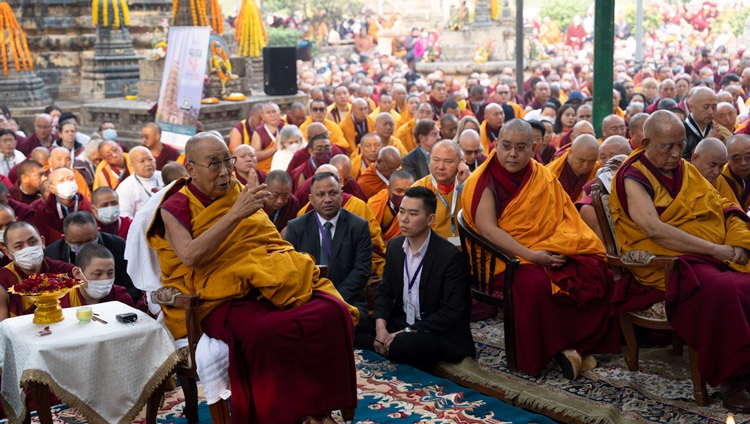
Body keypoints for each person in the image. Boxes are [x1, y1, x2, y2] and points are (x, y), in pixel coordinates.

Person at [146, 132, 357, 423]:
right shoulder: (175, 207)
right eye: (214, 164)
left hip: (262, 281)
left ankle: (318, 409)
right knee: (263, 334)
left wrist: (275, 269)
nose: (224, 171)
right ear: (191, 168)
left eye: (227, 161)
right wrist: (235, 214)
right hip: (217, 296)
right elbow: (191, 256)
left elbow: (266, 241)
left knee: (331, 312)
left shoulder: (237, 191)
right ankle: (280, 416)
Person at [608, 111, 750, 412]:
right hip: (666, 263)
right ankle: (733, 378)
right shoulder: (633, 176)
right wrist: (717, 250)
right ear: (646, 142)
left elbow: (720, 203)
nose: (676, 154)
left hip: (704, 254)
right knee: (725, 290)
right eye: (667, 147)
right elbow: (654, 230)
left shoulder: (685, 169)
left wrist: (737, 238)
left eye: (680, 145)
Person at [461, 118, 619, 379]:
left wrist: (560, 245)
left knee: (594, 269)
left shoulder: (540, 175)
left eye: (521, 147)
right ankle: (551, 349)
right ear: (496, 145)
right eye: (506, 146)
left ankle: (578, 346)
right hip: (503, 257)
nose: (512, 154)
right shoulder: (484, 180)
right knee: (536, 284)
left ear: (533, 148)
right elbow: (488, 229)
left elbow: (562, 216)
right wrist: (532, 255)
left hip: (542, 245)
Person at [371, 186, 475, 369]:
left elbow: (452, 311)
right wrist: (381, 329)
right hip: (404, 320)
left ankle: (394, 348)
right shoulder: (395, 247)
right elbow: (385, 291)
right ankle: (387, 344)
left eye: (412, 214)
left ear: (430, 219)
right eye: (401, 211)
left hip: (434, 329)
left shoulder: (450, 257)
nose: (404, 219)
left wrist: (407, 332)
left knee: (403, 344)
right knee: (355, 325)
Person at [285, 172, 372, 321]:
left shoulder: (358, 226)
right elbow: (291, 269)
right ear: (311, 199)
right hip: (307, 299)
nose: (327, 200)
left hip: (347, 299)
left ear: (341, 195)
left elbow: (361, 270)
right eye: (321, 195)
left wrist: (334, 298)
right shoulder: (296, 227)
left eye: (333, 193)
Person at [43, 211, 140, 303]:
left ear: (98, 232)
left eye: (90, 241)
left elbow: (134, 284)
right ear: (65, 238)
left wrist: (118, 301)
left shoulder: (118, 246)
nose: (86, 247)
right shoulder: (53, 255)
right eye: (78, 243)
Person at [0, 221, 75, 319]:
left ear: (42, 242)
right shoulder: (3, 280)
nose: (28, 249)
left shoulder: (64, 271)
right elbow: (3, 329)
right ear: (7, 253)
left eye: (32, 242)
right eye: (19, 246)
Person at [411, 140, 468, 242]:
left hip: (466, 250)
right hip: (432, 252)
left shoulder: (468, 184)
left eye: (448, 161)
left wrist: (464, 184)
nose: (441, 167)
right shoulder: (418, 189)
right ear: (429, 160)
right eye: (436, 160)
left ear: (461, 162)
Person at [64, 243, 137, 309]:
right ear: (77, 273)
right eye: (97, 274)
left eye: (110, 273)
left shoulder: (121, 297)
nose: (105, 279)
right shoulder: (63, 299)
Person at [32, 167, 93, 244]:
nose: (67, 183)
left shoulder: (87, 205)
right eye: (61, 181)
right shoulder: (44, 212)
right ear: (52, 189)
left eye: (70, 179)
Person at [546, 134, 599, 202]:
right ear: (570, 153)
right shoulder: (552, 172)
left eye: (592, 161)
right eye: (581, 160)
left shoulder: (598, 171)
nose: (586, 166)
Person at [115, 146, 164, 219]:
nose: (148, 164)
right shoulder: (126, 187)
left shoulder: (163, 176)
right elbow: (125, 216)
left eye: (150, 159)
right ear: (132, 166)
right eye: (142, 161)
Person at [367, 170, 414, 243]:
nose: (403, 195)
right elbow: (369, 233)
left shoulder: (417, 207)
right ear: (388, 188)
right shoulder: (375, 203)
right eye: (399, 191)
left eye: (408, 191)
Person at [250, 102, 285, 173]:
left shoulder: (285, 127)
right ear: (262, 116)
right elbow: (254, 156)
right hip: (266, 170)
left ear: (280, 113)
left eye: (274, 111)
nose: (272, 115)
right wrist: (273, 149)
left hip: (284, 165)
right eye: (268, 112)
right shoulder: (258, 132)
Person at [684, 87, 717, 159]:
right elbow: (681, 162)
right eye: (706, 107)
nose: (711, 112)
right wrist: (706, 143)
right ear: (691, 107)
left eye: (714, 107)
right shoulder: (681, 131)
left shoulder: (717, 129)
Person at [720, 134, 750, 210]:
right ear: (726, 158)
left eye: (748, 157)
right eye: (736, 158)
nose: (744, 163)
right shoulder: (719, 177)